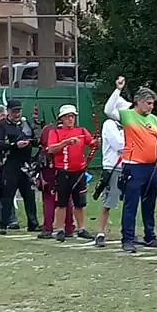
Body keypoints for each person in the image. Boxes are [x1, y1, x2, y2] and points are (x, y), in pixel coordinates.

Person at [103, 80, 157, 254]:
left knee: (149, 203)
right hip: (133, 166)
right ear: (138, 102)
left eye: (152, 104)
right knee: (131, 203)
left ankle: (150, 236)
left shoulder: (153, 119)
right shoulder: (127, 115)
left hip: (151, 167)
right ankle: (127, 238)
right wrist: (118, 89)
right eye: (148, 103)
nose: (151, 107)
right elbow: (108, 110)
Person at [43, 104, 96, 242]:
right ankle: (60, 229)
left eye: (72, 116)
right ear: (61, 118)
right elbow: (51, 149)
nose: (70, 119)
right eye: (67, 116)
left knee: (80, 202)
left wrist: (97, 142)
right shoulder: (55, 133)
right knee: (62, 202)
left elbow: (92, 144)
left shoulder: (82, 131)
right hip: (63, 171)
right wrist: (65, 143)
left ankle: (81, 228)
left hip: (79, 172)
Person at [0, 98, 40, 234]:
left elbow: (35, 140)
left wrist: (35, 140)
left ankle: (33, 223)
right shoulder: (2, 125)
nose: (17, 114)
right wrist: (14, 145)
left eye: (19, 111)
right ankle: (3, 224)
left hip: (26, 164)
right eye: (14, 111)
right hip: (10, 163)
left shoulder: (26, 124)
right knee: (7, 195)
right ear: (8, 111)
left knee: (29, 195)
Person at [36, 115, 76, 240]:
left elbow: (43, 145)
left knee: (49, 197)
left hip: (52, 167)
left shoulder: (49, 130)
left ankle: (48, 228)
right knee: (66, 197)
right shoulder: (71, 131)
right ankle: (68, 227)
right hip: (65, 167)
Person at [93, 103, 126, 248]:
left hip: (127, 166)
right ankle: (100, 232)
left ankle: (128, 231)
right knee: (109, 201)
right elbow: (119, 144)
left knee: (129, 201)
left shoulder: (127, 126)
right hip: (113, 166)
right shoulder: (110, 124)